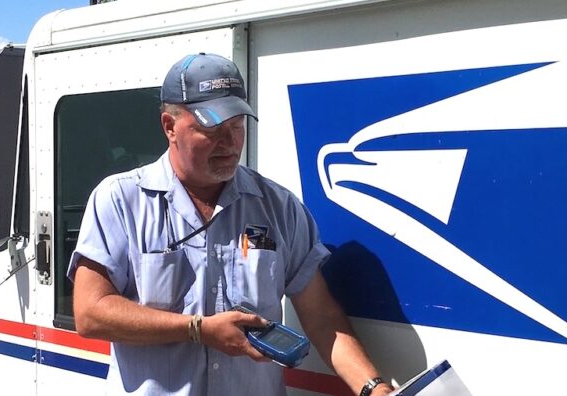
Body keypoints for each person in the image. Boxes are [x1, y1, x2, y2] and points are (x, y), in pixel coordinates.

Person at [68, 53, 393, 396]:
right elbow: (91, 313)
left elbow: (322, 318)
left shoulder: (278, 207)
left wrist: (373, 388)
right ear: (169, 126)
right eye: (211, 128)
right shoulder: (121, 200)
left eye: (236, 127)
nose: (229, 143)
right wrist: (197, 329)